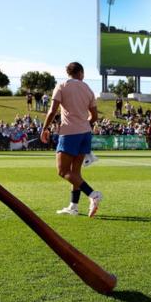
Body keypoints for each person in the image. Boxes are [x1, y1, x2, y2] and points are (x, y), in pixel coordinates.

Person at [40, 62, 102, 217]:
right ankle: (73, 206)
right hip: (85, 133)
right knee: (76, 173)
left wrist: (44, 129)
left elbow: (52, 110)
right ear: (80, 72)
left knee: (62, 171)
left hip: (69, 133)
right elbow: (94, 116)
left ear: (68, 73)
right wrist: (84, 122)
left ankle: (93, 194)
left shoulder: (61, 86)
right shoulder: (87, 89)